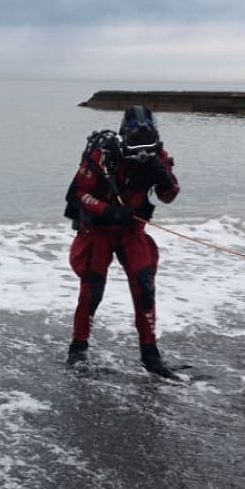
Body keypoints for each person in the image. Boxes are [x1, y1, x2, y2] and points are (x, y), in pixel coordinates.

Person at [64, 105, 180, 378]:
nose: (141, 150)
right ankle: (77, 351)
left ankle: (150, 356)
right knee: (93, 291)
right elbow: (78, 192)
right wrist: (109, 210)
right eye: (136, 142)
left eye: (147, 143)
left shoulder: (158, 157)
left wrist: (163, 176)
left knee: (145, 288)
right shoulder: (103, 155)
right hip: (99, 231)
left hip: (132, 230)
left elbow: (169, 196)